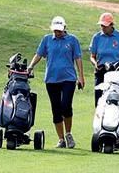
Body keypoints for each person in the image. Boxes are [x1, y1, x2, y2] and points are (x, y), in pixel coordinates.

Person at [27, 16, 86, 148]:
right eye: (55, 30)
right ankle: (61, 139)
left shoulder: (72, 40)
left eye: (59, 30)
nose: (57, 32)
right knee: (56, 109)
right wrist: (30, 67)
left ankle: (68, 133)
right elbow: (39, 54)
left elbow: (78, 58)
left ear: (64, 28)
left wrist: (81, 77)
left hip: (69, 78)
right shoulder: (47, 39)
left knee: (66, 105)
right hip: (51, 79)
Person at [89, 12, 119, 132]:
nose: (103, 28)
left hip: (117, 72)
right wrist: (95, 64)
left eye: (105, 26)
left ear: (111, 25)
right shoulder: (97, 37)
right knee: (100, 100)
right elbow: (92, 56)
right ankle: (101, 126)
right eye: (101, 25)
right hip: (101, 71)